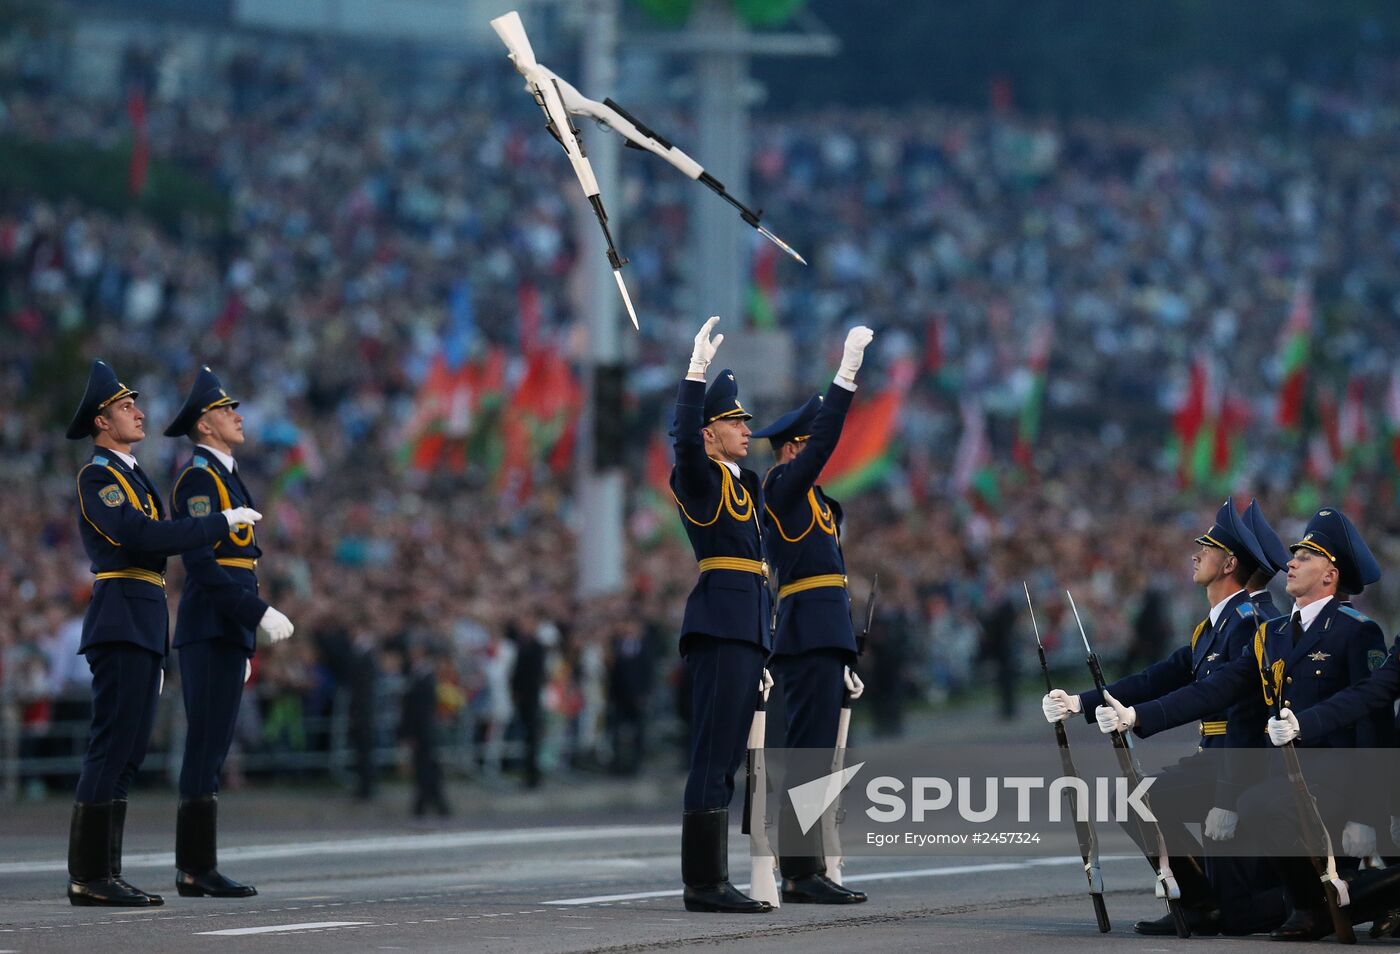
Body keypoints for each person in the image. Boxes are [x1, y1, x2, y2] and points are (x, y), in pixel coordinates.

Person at [1100, 508, 1396, 941]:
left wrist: (1367, 813)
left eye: (1305, 557)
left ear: (1330, 575)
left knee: (1262, 808)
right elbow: (1217, 689)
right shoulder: (1272, 634)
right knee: (1243, 905)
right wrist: (1137, 715)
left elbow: (1373, 721)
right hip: (1281, 776)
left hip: (1334, 779)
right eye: (1294, 555)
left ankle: (1327, 904)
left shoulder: (1356, 631)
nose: (1291, 563)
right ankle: (1317, 902)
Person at [64, 360, 261, 907]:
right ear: (101, 420)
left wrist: (197, 528)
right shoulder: (97, 475)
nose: (139, 413)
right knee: (111, 745)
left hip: (145, 616)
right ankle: (89, 876)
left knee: (129, 751)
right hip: (122, 615)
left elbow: (155, 534)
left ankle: (105, 872)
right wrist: (217, 523)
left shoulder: (132, 473)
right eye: (126, 406)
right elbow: (139, 534)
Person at [1043, 498, 1281, 935]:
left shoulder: (1249, 622)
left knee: (1242, 912)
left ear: (1230, 564)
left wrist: (1135, 717)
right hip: (1215, 758)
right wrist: (1080, 703)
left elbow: (1213, 694)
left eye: (1206, 548)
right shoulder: (1214, 626)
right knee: (1130, 799)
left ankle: (1209, 902)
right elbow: (1157, 678)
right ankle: (1198, 900)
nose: (1195, 554)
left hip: (1241, 762)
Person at [750, 325, 873, 905]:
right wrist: (846, 375)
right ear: (794, 448)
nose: (820, 453)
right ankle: (800, 871)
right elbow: (825, 445)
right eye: (811, 444)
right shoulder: (782, 486)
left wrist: (844, 643)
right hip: (805, 632)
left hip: (824, 633)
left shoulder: (817, 501)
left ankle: (809, 865)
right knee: (808, 753)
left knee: (820, 753)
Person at [165, 366, 294, 897]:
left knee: (215, 745)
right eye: (225, 410)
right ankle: (195, 867)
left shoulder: (228, 475)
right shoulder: (199, 479)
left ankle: (199, 866)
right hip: (212, 623)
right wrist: (255, 612)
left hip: (225, 626)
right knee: (205, 744)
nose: (237, 416)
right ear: (205, 424)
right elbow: (202, 564)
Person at [671, 317, 773, 914]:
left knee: (729, 758)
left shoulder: (745, 484)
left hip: (746, 628)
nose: (746, 430)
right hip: (719, 625)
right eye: (735, 422)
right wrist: (695, 374)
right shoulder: (702, 479)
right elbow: (683, 444)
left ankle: (714, 878)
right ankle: (704, 883)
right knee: (713, 757)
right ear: (709, 434)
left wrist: (765, 637)